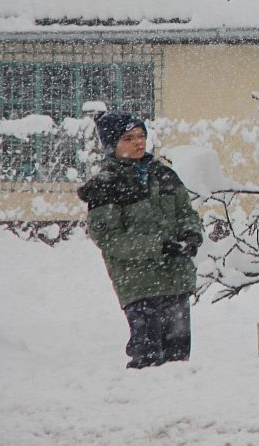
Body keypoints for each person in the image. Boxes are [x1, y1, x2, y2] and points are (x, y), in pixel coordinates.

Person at [77, 111, 203, 369]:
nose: (139, 142)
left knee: (178, 355)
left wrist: (191, 236)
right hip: (138, 281)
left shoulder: (165, 175)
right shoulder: (106, 185)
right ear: (113, 144)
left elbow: (186, 213)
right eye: (129, 137)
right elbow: (110, 239)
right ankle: (141, 401)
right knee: (147, 354)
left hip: (174, 276)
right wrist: (157, 247)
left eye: (141, 135)